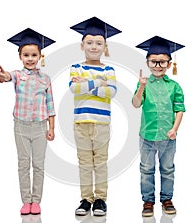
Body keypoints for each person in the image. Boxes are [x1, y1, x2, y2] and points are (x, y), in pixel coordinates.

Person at [0, 28, 56, 215]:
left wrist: (51, 128)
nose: (30, 58)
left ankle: (36, 201)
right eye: (26, 55)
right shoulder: (17, 75)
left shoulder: (45, 79)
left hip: (40, 127)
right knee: (23, 163)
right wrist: (3, 76)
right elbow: (6, 77)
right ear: (20, 56)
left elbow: (50, 105)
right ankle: (26, 201)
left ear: (40, 56)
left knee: (38, 164)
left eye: (33, 55)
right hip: (21, 127)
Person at [69, 17, 121, 216]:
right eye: (89, 42)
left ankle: (100, 199)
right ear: (82, 45)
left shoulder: (109, 69)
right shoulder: (76, 67)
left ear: (105, 46)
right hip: (81, 123)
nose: (94, 46)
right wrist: (99, 83)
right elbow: (75, 88)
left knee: (100, 163)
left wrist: (87, 84)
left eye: (99, 43)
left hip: (102, 124)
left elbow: (113, 92)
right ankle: (85, 199)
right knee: (84, 163)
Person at [132, 36, 186, 217]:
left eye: (162, 62)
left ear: (169, 64)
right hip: (147, 136)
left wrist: (174, 129)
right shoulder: (144, 84)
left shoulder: (175, 86)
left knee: (168, 169)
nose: (157, 65)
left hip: (168, 137)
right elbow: (135, 104)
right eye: (154, 62)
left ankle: (166, 199)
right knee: (146, 169)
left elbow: (179, 110)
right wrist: (141, 87)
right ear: (147, 62)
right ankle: (148, 201)